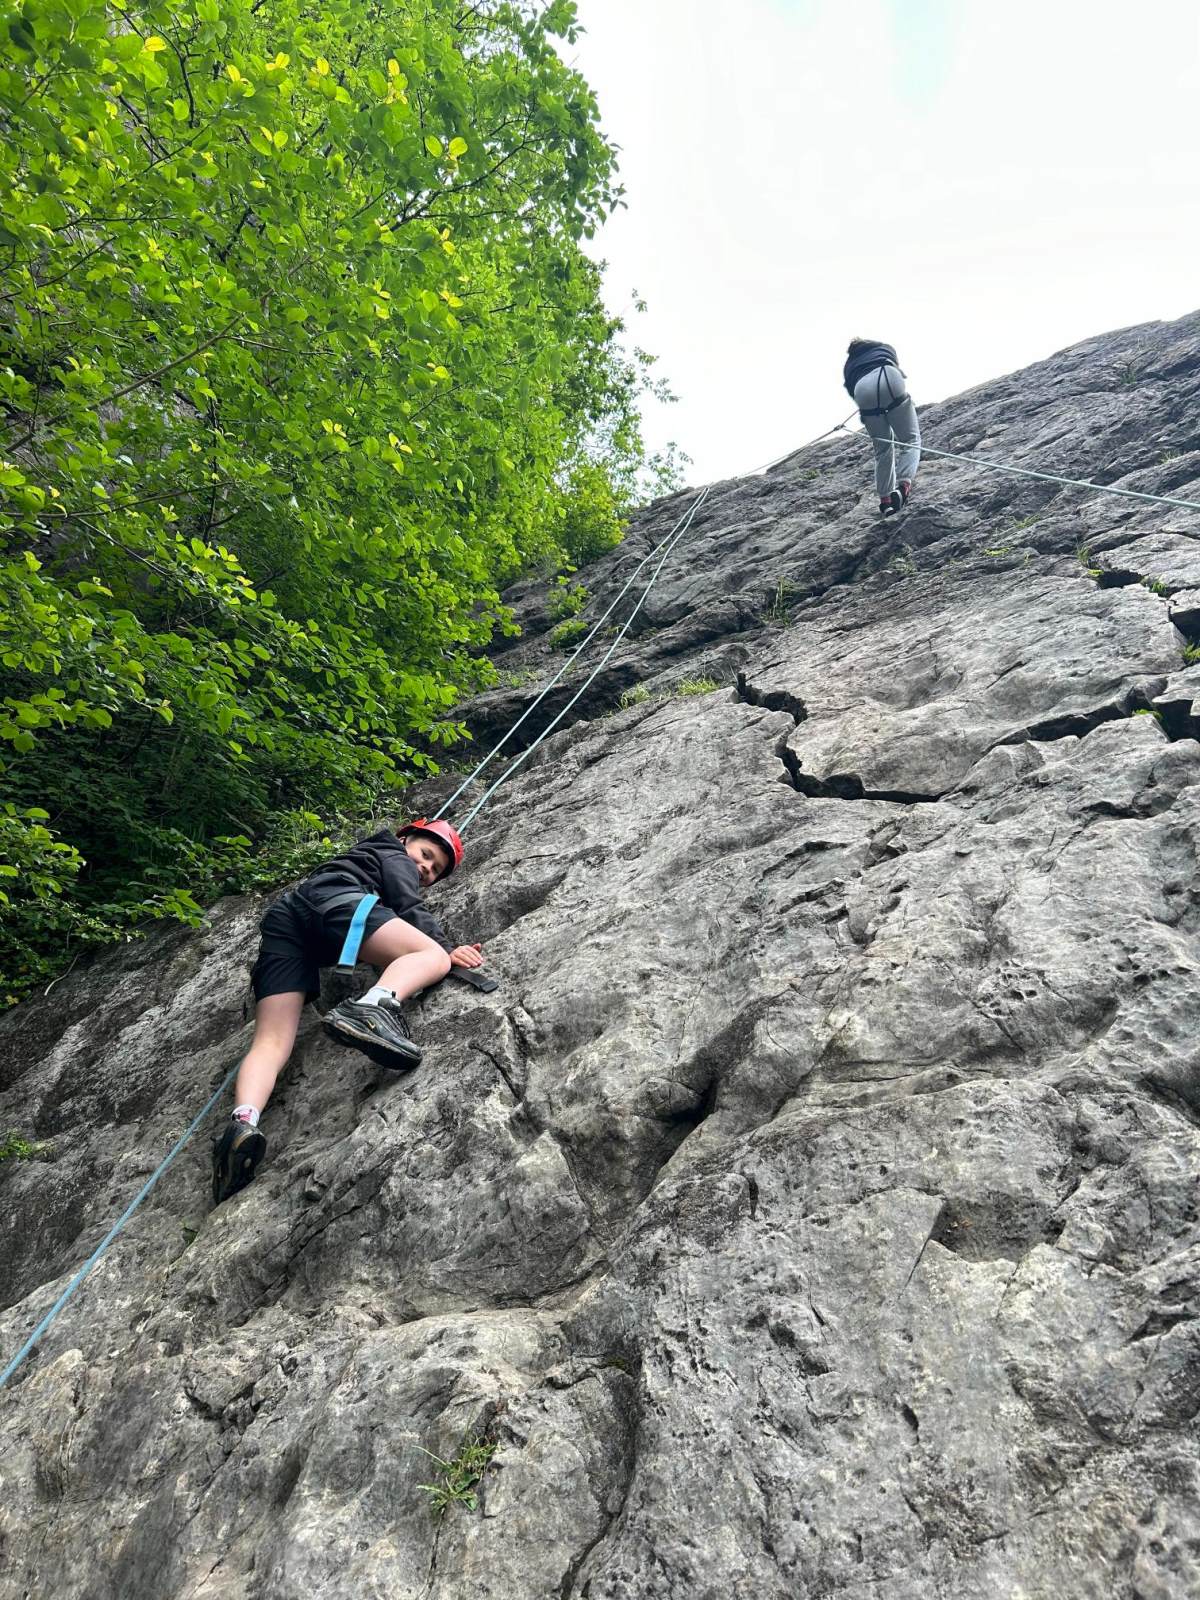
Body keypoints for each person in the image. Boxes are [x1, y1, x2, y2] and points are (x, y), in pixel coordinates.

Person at [211, 818, 484, 1204]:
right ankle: (372, 1008)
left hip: (288, 925)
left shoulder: (369, 858)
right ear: (405, 838)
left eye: (435, 869)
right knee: (433, 957)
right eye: (425, 854)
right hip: (335, 899)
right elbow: (407, 905)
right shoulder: (392, 854)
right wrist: (447, 948)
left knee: (272, 1041)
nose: (425, 868)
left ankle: (242, 1124)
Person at [843, 338, 921, 516]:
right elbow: (894, 363)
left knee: (883, 449)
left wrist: (867, 414)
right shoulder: (883, 347)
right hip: (888, 375)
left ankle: (886, 502)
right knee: (910, 439)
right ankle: (903, 487)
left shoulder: (849, 365)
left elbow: (850, 387)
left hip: (862, 390)